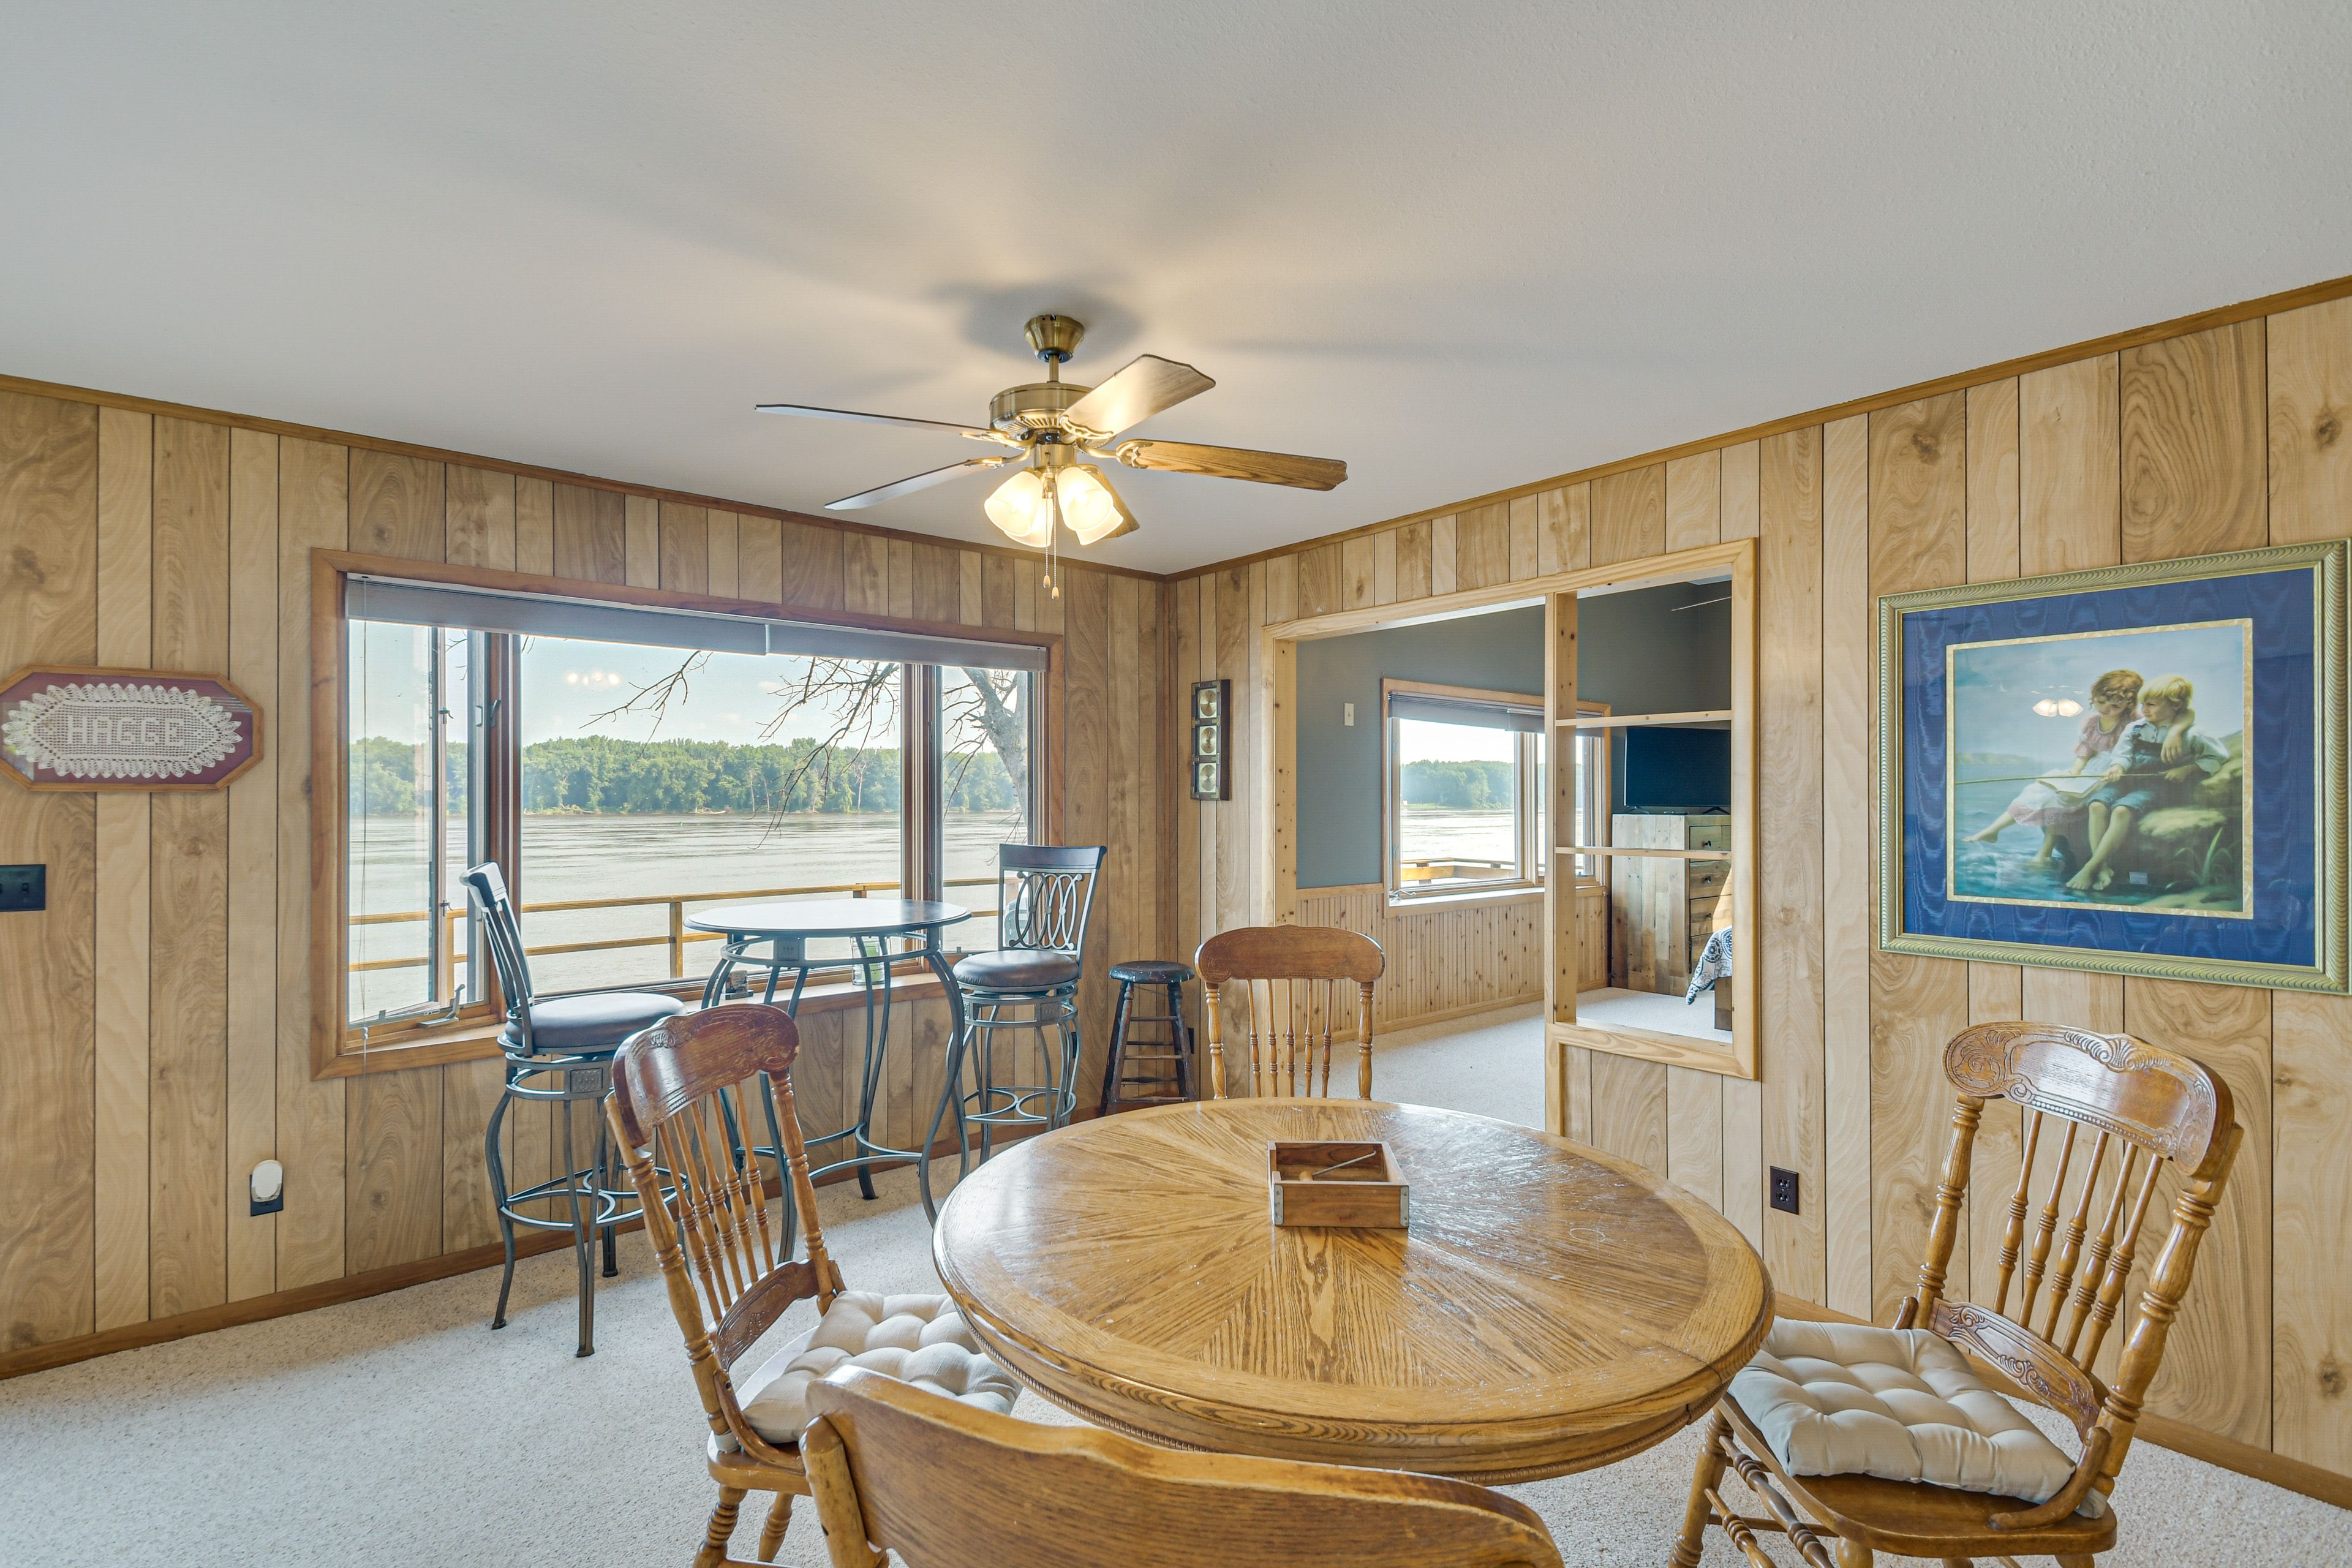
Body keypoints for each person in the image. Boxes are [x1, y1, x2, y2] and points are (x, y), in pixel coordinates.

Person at [1968, 668, 2175, 864]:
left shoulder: (2134, 722)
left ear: (2128, 706)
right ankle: (1994, 830)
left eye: (2115, 707)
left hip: (2114, 773)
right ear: (2094, 696)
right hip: (2089, 770)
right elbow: (2085, 751)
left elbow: (2170, 725)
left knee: (2063, 799)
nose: (2106, 709)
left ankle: (2045, 852)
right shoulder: (2091, 722)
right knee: (2039, 790)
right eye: (2101, 702)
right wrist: (2076, 770)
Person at [2064, 675, 2226, 893]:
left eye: (2151, 705)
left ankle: (2090, 867)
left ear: (2176, 706)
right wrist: (2118, 768)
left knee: (2122, 810)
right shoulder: (2136, 728)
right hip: (2128, 780)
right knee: (2096, 805)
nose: (2144, 710)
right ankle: (2102, 867)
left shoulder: (2193, 733)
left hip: (2158, 786)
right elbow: (2122, 755)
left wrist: (2187, 769)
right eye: (2143, 704)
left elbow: (2216, 758)